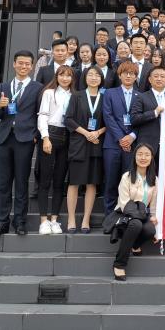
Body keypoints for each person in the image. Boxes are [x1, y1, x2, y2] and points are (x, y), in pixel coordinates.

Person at [0, 50, 43, 236]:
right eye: (20, 63)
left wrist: (36, 135)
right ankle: (2, 222)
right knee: (3, 184)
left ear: (32, 66)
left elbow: (40, 114)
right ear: (14, 64)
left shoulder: (38, 87)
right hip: (4, 139)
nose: (23, 66)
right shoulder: (4, 86)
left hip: (25, 139)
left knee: (21, 182)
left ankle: (20, 222)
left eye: (27, 64)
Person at [65, 66, 106, 233]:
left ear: (101, 79)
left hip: (96, 144)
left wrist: (97, 132)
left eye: (97, 75)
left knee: (91, 183)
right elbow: (68, 119)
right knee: (74, 182)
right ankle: (71, 219)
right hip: (79, 143)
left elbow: (110, 121)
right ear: (85, 77)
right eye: (90, 74)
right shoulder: (77, 96)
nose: (94, 77)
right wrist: (86, 133)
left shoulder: (105, 97)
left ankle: (86, 220)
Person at [36, 65, 74, 235]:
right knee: (45, 180)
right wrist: (45, 137)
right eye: (62, 75)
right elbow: (42, 116)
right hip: (50, 134)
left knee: (59, 181)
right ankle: (43, 220)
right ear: (56, 77)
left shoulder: (75, 95)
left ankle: (54, 220)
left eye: (68, 76)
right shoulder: (49, 93)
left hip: (67, 136)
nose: (65, 78)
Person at [112, 143, 158, 281]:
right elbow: (124, 202)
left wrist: (154, 218)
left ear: (151, 158)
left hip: (142, 214)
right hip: (126, 213)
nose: (143, 158)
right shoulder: (127, 176)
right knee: (136, 224)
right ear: (135, 157)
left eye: (147, 154)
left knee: (150, 230)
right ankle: (119, 264)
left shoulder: (154, 179)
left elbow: (153, 205)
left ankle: (135, 245)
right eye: (140, 154)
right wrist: (139, 216)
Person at [102, 61, 141, 214]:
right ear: (119, 75)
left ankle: (126, 216)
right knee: (110, 181)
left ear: (136, 77)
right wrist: (121, 138)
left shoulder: (141, 96)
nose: (128, 76)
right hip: (112, 144)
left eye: (132, 73)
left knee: (129, 183)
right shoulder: (110, 93)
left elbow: (141, 119)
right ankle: (109, 216)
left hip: (132, 145)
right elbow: (108, 116)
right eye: (125, 73)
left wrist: (131, 136)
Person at [130, 66, 165, 158]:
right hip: (147, 145)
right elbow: (134, 119)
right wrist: (154, 113)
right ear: (150, 79)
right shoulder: (141, 97)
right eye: (156, 76)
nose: (159, 79)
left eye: (162, 76)